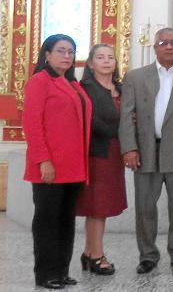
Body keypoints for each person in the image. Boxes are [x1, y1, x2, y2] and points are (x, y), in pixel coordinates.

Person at [119, 28, 173, 274]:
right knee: (145, 207)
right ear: (155, 47)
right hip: (145, 151)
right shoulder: (135, 77)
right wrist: (129, 148)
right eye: (164, 43)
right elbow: (126, 115)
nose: (169, 47)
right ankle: (147, 255)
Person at [23, 34, 92, 289]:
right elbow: (32, 124)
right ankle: (45, 274)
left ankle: (62, 270)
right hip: (49, 165)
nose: (67, 56)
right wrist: (43, 159)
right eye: (61, 51)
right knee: (47, 221)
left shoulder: (74, 84)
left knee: (66, 220)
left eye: (71, 52)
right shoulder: (39, 82)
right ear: (47, 55)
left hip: (74, 166)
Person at [77, 44, 126, 276]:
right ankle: (97, 255)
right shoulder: (85, 88)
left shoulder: (121, 88)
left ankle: (89, 252)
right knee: (97, 207)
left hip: (116, 153)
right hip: (97, 153)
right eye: (100, 57)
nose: (106, 61)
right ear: (90, 63)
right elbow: (92, 121)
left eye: (110, 57)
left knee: (102, 208)